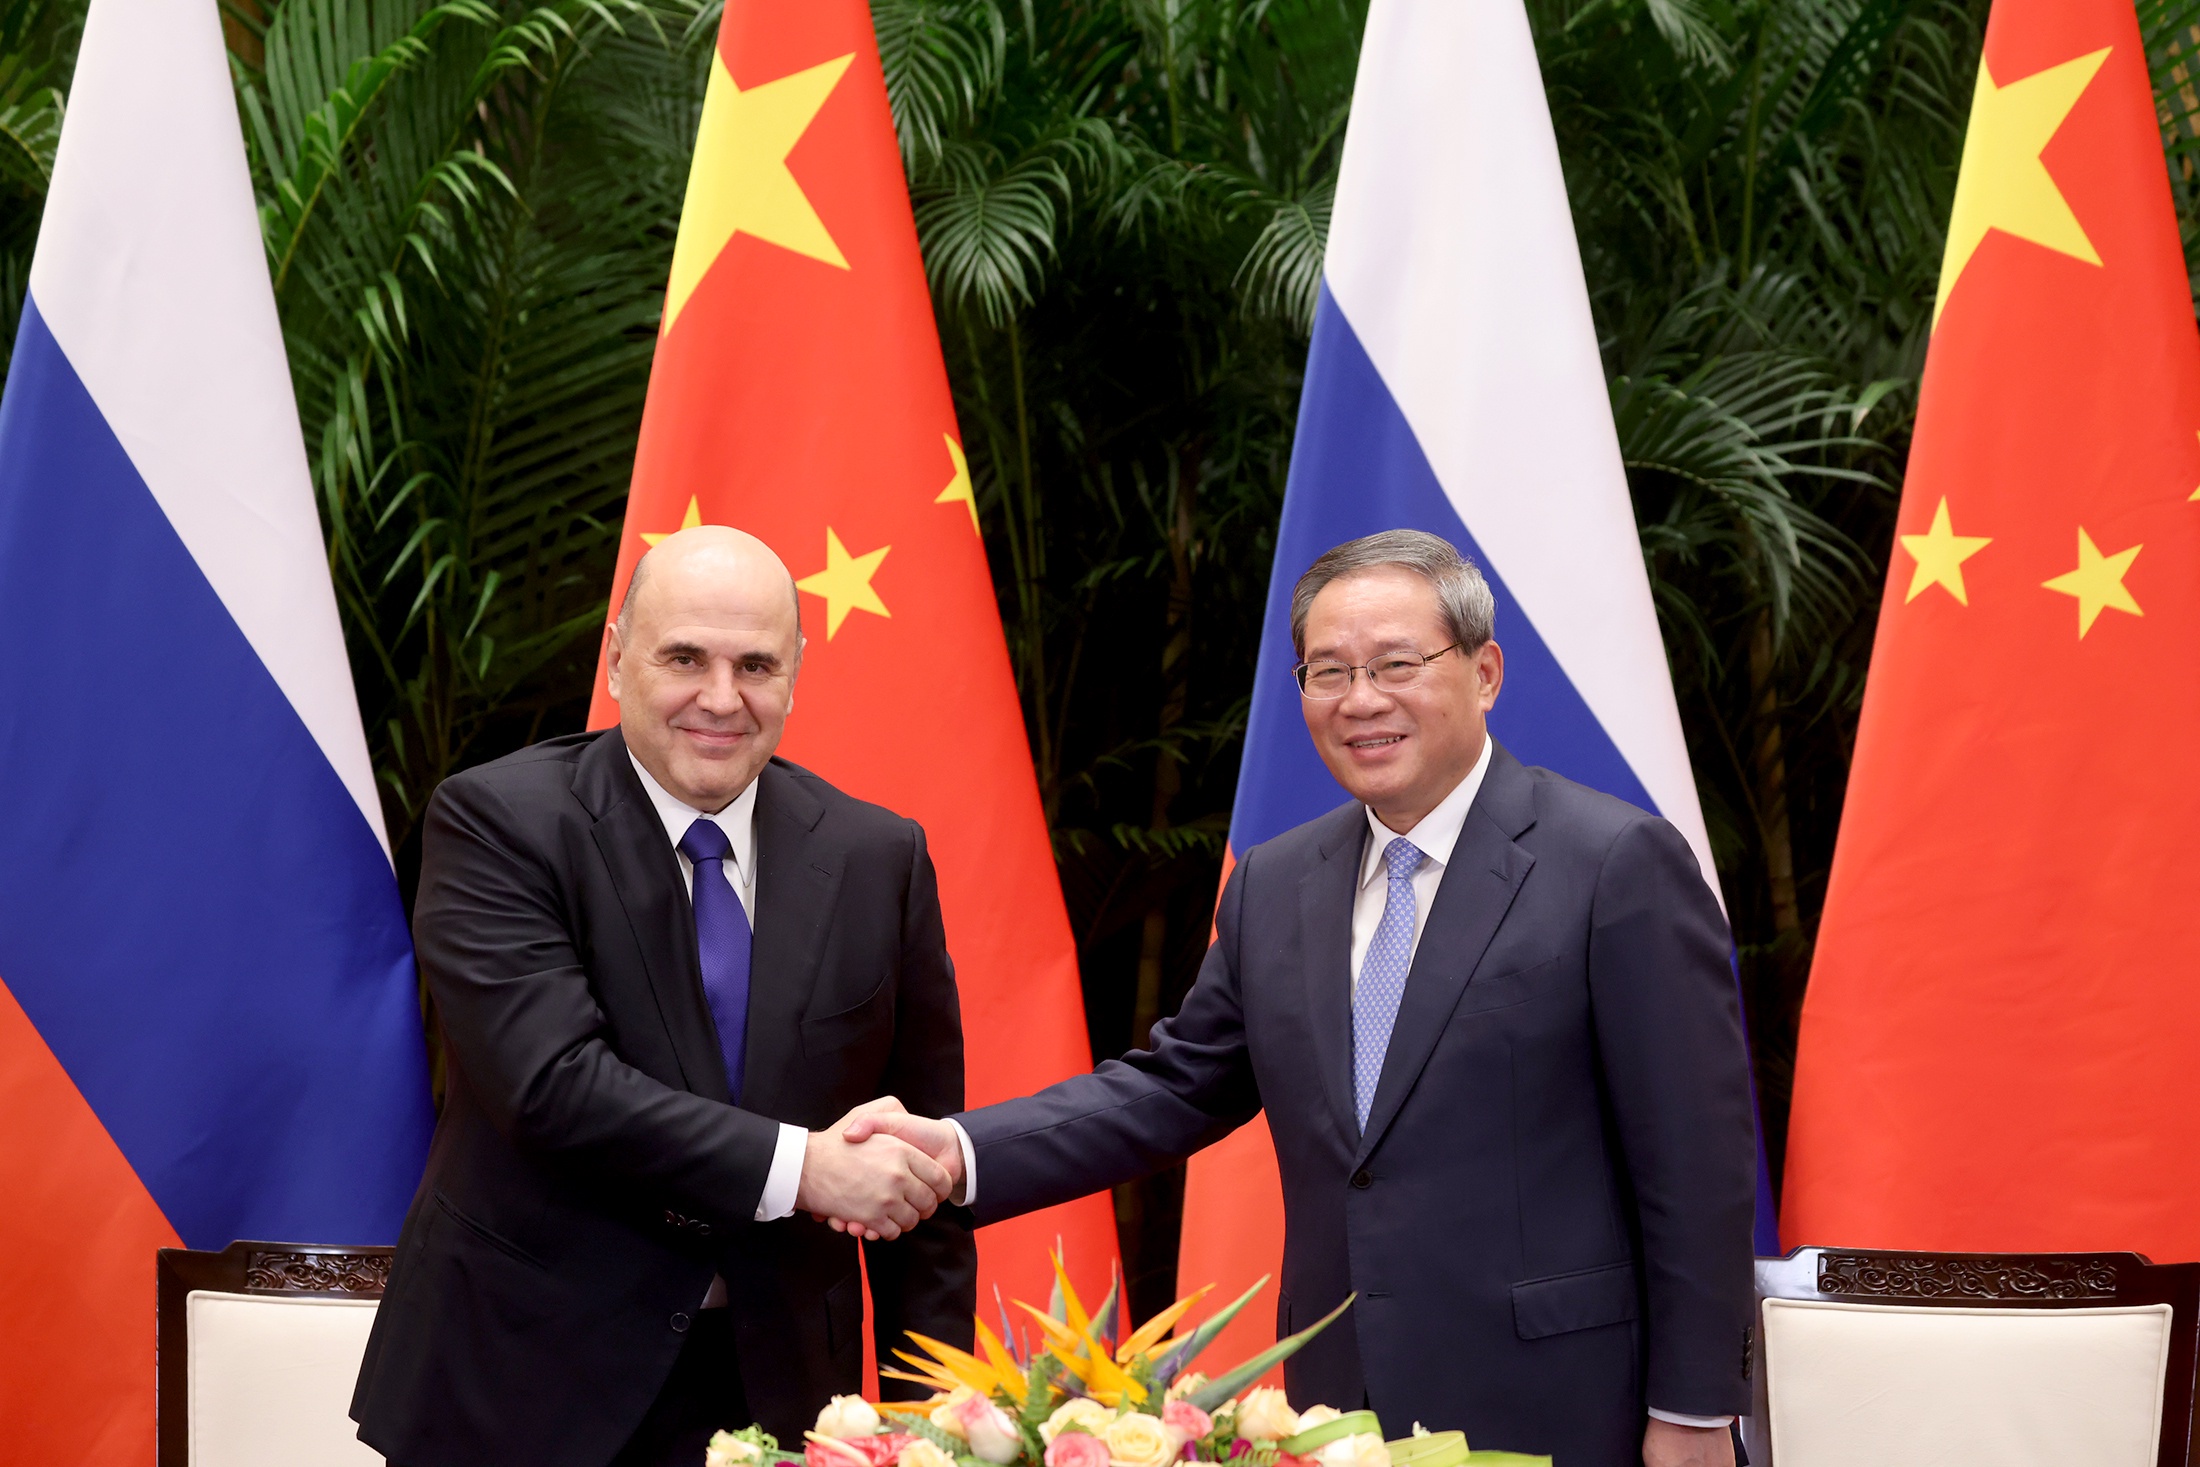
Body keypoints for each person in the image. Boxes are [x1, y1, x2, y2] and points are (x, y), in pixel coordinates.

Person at [845, 531, 1756, 1467]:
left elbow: (1697, 1164)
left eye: (1396, 664)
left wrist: (1692, 1411)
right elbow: (1173, 1088)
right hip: (1338, 1407)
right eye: (1329, 671)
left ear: (1484, 672)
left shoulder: (1613, 864)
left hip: (1562, 1404)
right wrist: (957, 1150)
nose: (1361, 699)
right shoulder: (1277, 883)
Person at [353, 527, 971, 1467]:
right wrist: (803, 1167)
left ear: (796, 675)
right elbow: (552, 1086)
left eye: (755, 665)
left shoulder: (878, 856)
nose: (721, 697)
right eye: (685, 658)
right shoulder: (499, 822)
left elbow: (917, 1167)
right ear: (616, 659)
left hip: (779, 1391)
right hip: (522, 1389)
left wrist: (939, 1426)